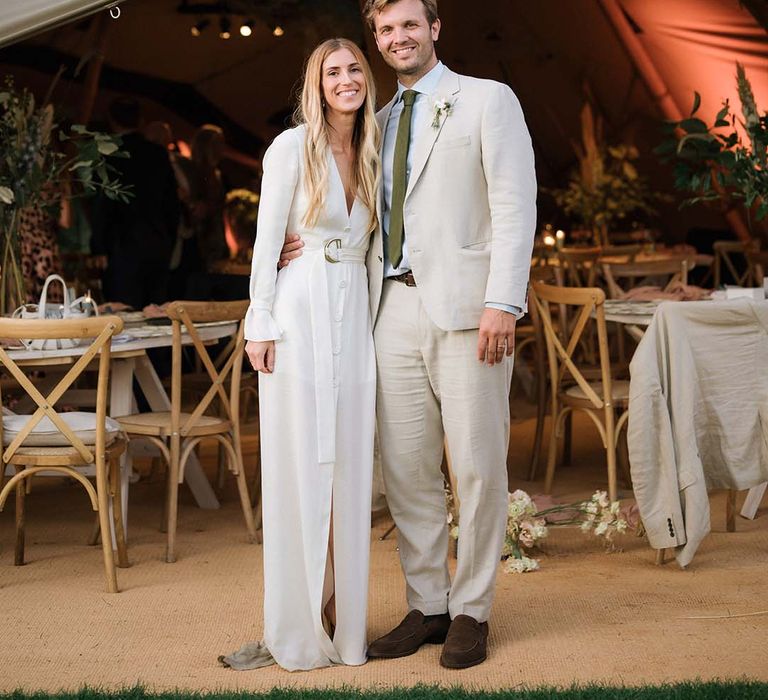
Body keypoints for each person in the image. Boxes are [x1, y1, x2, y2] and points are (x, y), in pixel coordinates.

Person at [280, 0, 537, 669]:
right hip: (387, 309)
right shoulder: (378, 121)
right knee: (406, 470)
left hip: (470, 310)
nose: (398, 38)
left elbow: (514, 203)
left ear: (434, 29)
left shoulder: (487, 100)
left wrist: (504, 301)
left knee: (478, 466)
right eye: (386, 30)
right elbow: (348, 213)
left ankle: (473, 610)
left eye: (408, 25)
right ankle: (429, 603)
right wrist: (299, 245)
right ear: (378, 41)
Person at [227, 38, 380, 672]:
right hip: (296, 316)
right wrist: (257, 323)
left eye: (354, 69)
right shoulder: (291, 149)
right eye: (332, 72)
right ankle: (296, 620)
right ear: (316, 86)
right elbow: (266, 246)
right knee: (298, 465)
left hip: (354, 321)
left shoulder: (372, 155)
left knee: (349, 464)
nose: (346, 80)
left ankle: (342, 618)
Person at [89, 98, 179, 309]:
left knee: (124, 311)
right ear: (140, 120)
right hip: (157, 243)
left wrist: (98, 246)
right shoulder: (157, 153)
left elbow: (101, 203)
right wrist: (168, 240)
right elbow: (171, 204)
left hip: (122, 245)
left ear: (112, 120)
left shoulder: (109, 155)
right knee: (156, 312)